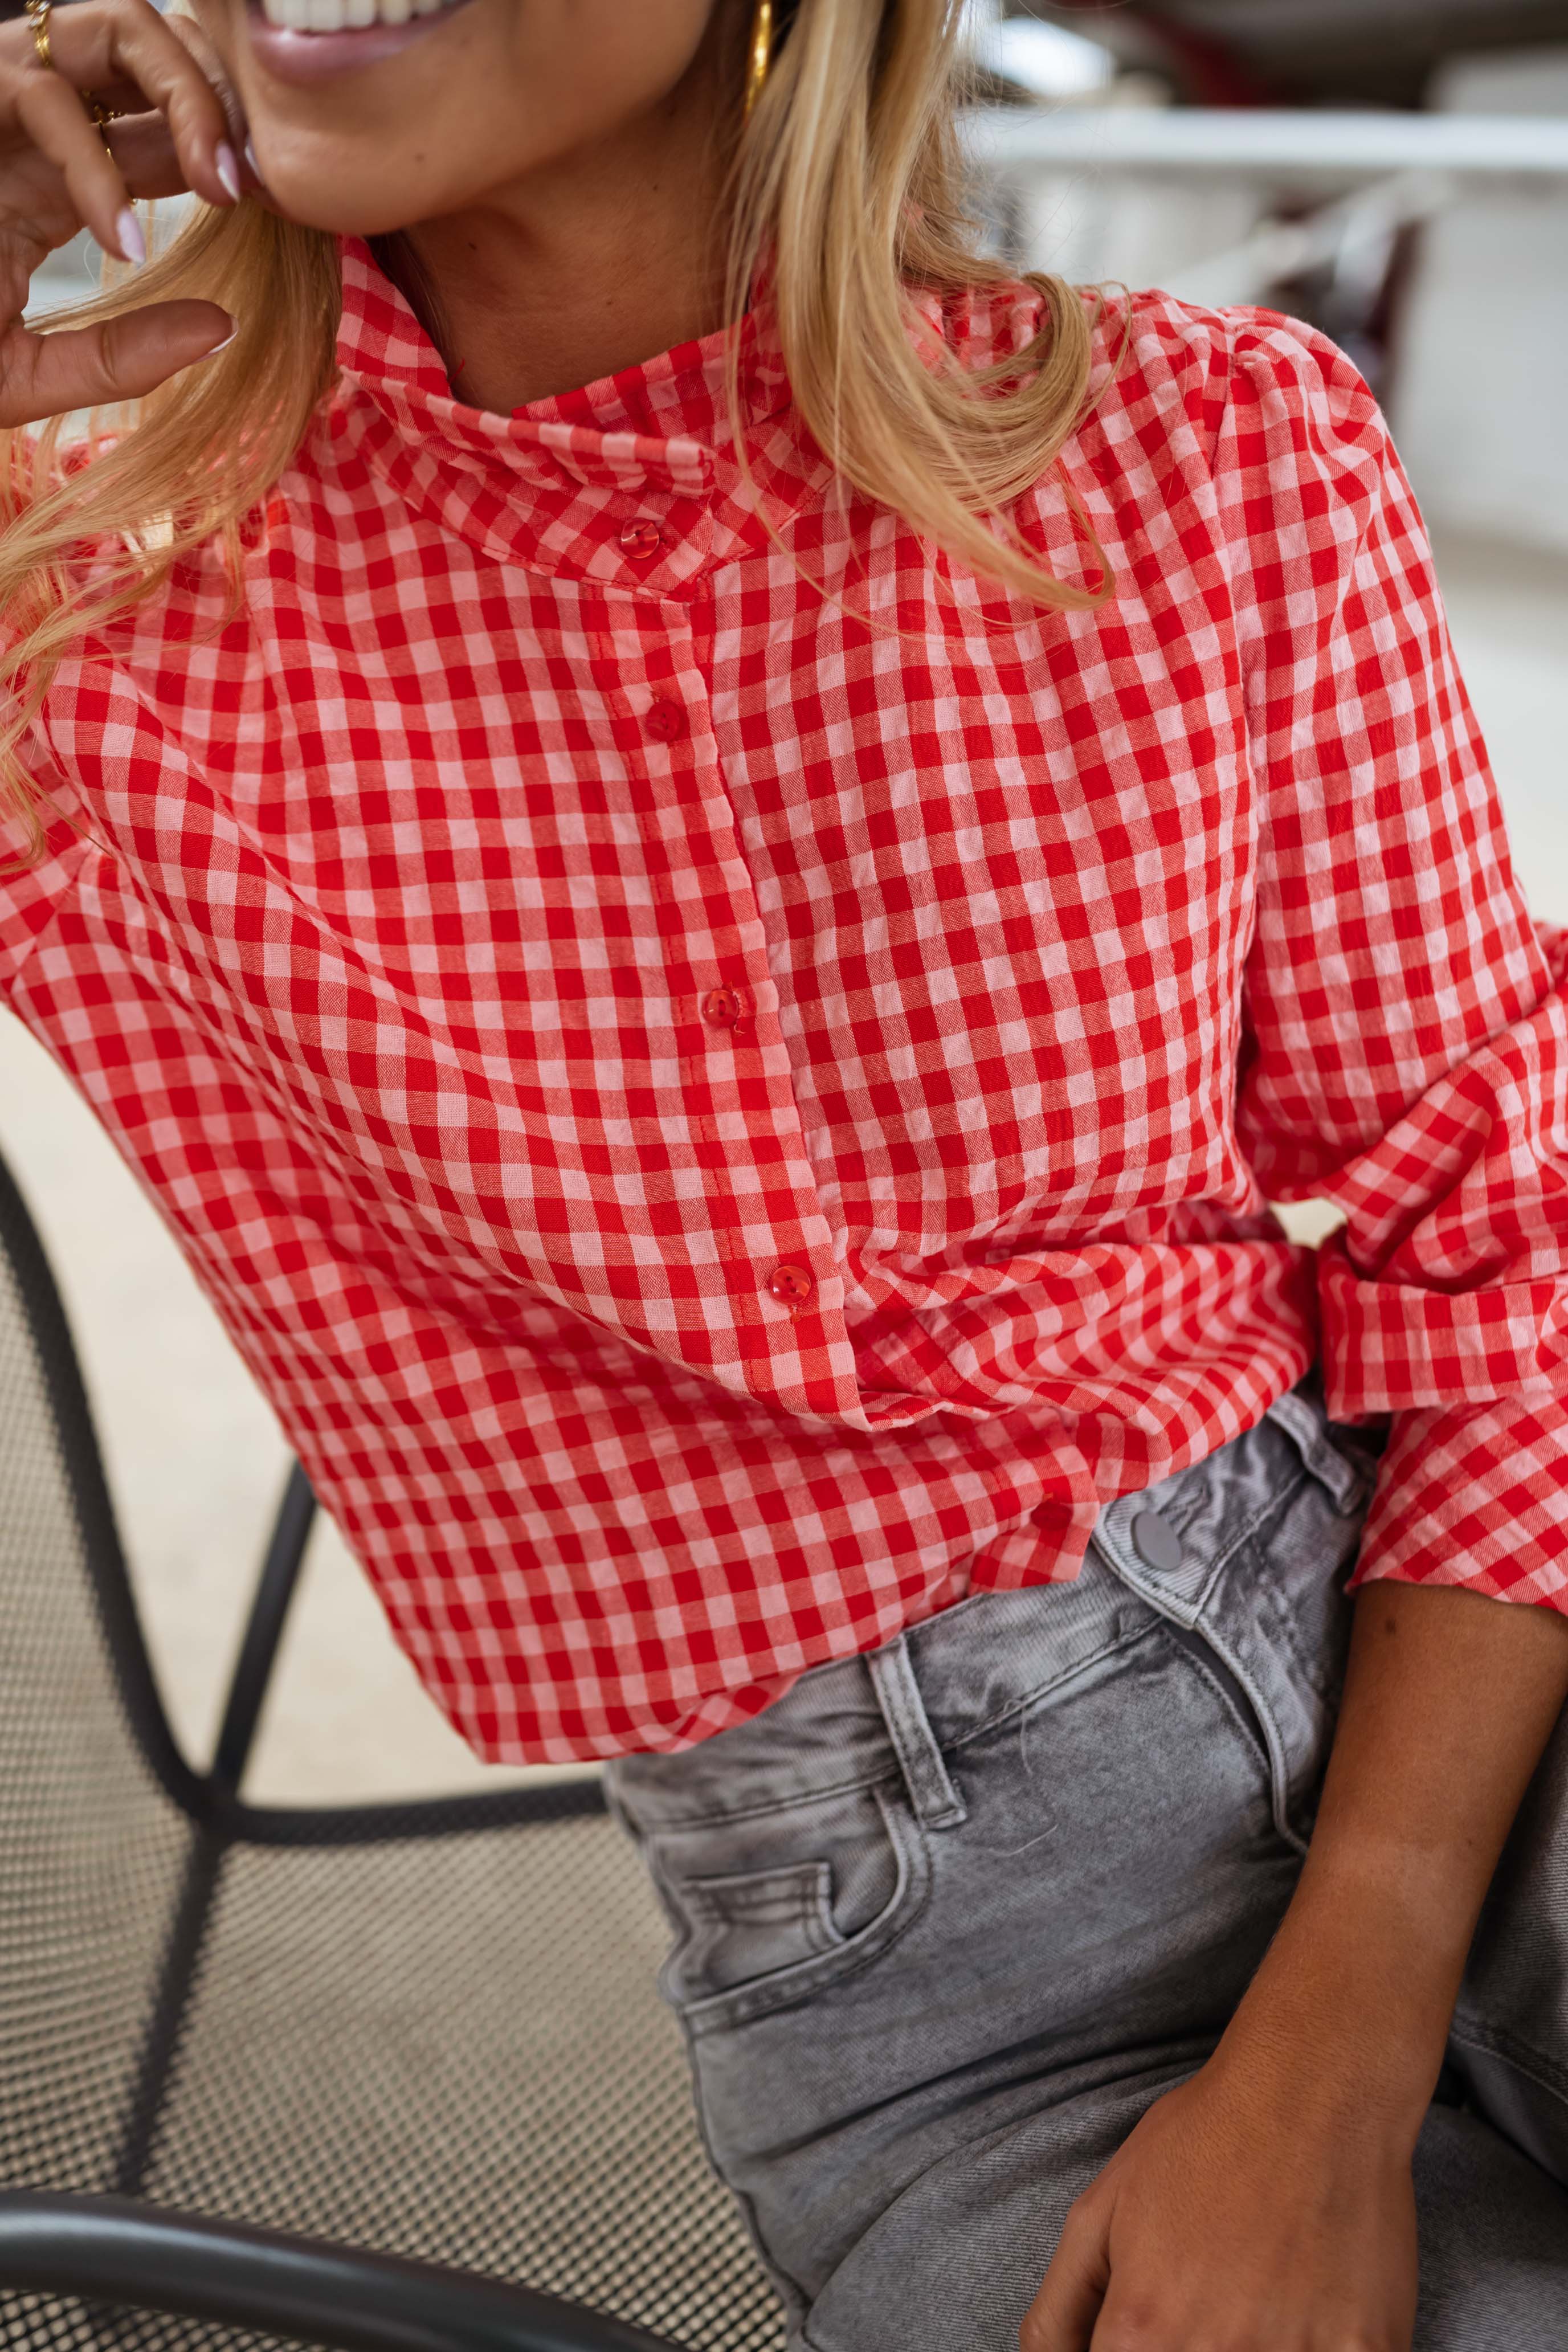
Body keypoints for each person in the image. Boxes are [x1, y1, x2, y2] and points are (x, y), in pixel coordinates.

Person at [0, 0, 1565, 2341]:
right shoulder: (79, 601)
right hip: (941, 2008)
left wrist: (1338, 2043)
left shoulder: (1208, 450)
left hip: (1431, 1670)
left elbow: (1506, 1226)